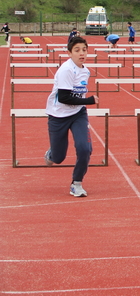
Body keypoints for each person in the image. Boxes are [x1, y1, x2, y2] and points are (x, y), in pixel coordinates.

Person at [44, 36, 99, 198]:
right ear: (69, 53)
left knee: (85, 148)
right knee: (58, 158)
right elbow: (64, 98)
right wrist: (88, 100)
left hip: (78, 114)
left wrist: (83, 104)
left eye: (84, 50)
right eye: (77, 50)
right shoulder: (66, 70)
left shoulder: (86, 70)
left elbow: (77, 94)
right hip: (58, 115)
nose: (81, 53)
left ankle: (77, 183)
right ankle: (51, 154)